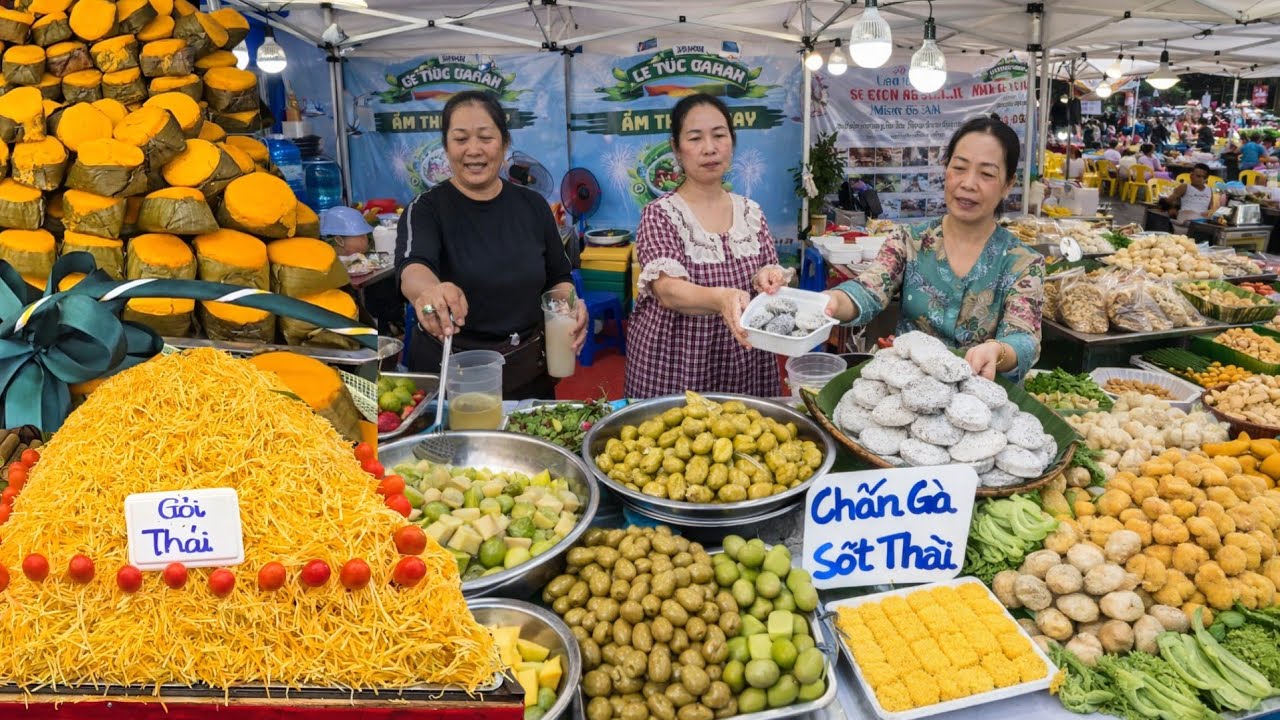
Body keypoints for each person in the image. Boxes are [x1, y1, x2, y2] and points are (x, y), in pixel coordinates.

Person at [396, 90, 587, 400]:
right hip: (451, 380)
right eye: (460, 139)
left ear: (505, 143)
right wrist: (430, 292)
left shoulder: (534, 206)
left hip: (526, 373)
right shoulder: (426, 209)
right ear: (446, 147)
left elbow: (559, 278)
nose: (474, 150)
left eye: (485, 137)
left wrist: (569, 306)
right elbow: (413, 268)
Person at [822, 116, 1044, 381]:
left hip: (981, 405)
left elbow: (1024, 338)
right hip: (905, 395)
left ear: (1008, 185)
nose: (968, 183)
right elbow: (868, 289)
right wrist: (829, 302)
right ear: (945, 169)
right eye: (959, 167)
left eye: (986, 174)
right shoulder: (909, 240)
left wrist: (997, 351)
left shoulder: (1022, 262)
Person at [624, 93, 790, 398]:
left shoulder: (750, 212)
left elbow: (766, 267)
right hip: (677, 360)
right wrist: (722, 298)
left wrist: (768, 278)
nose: (709, 148)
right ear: (676, 148)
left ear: (732, 141)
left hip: (744, 358)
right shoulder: (661, 213)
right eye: (695, 138)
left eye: (719, 135)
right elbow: (668, 290)